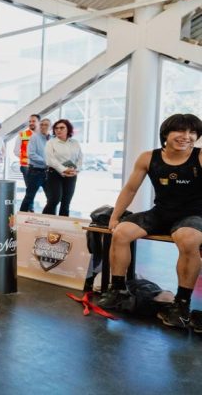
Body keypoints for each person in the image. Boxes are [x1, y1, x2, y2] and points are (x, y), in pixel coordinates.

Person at [98, 114, 202, 330]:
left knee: (187, 238)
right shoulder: (148, 157)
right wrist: (115, 217)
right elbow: (130, 189)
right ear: (165, 134)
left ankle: (181, 304)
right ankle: (117, 291)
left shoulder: (200, 156)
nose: (187, 137)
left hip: (193, 216)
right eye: (180, 131)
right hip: (161, 212)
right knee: (121, 232)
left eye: (192, 132)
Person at [42, 119, 82, 216]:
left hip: (71, 174)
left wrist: (76, 170)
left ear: (68, 129)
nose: (58, 130)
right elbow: (50, 160)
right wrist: (64, 169)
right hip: (54, 173)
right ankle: (45, 222)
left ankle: (62, 226)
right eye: (56, 128)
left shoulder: (75, 143)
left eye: (62, 128)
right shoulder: (51, 143)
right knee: (54, 200)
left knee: (66, 202)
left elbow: (80, 158)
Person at [19, 118, 51, 213]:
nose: (43, 127)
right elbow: (31, 154)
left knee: (51, 198)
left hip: (49, 173)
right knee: (29, 197)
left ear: (51, 127)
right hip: (35, 172)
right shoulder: (34, 137)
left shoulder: (53, 139)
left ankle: (48, 218)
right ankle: (21, 217)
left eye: (46, 125)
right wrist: (47, 162)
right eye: (41, 125)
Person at [14, 114, 41, 180]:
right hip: (27, 166)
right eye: (30, 121)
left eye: (33, 121)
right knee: (30, 188)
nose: (31, 123)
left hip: (42, 166)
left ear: (39, 122)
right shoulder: (23, 135)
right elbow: (16, 151)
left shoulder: (44, 135)